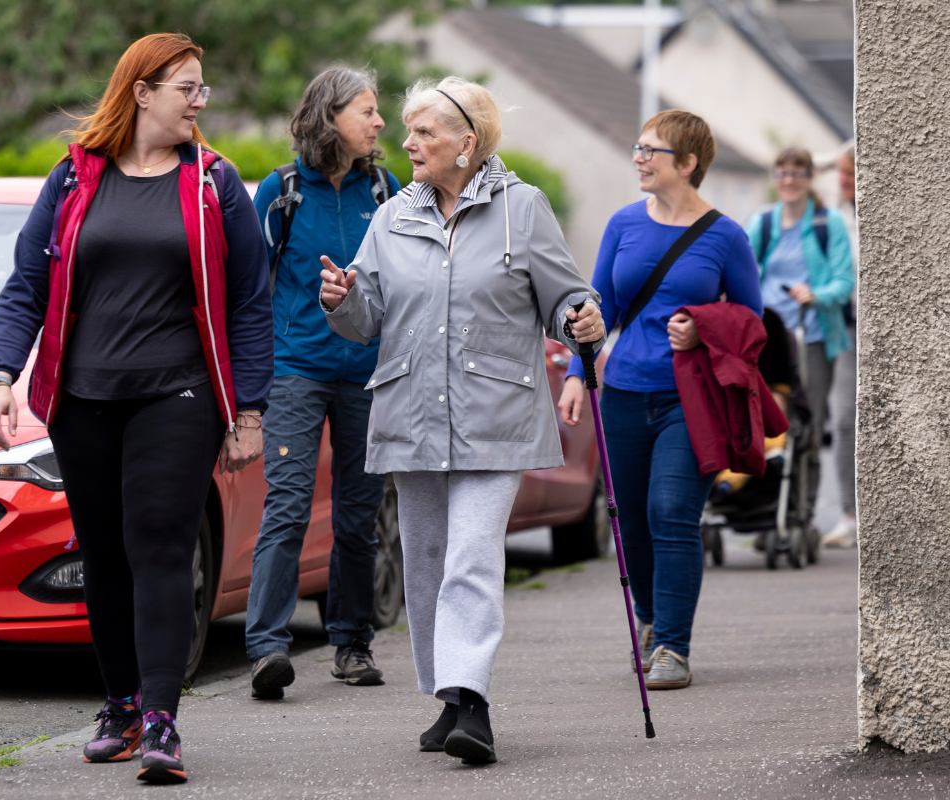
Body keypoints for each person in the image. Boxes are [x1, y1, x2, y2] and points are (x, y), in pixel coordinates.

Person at [0, 33, 273, 785]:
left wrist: (248, 411)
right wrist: (1, 374)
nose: (201, 101)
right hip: (81, 399)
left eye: (202, 88)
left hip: (178, 395)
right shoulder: (75, 178)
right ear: (142, 92)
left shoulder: (214, 182)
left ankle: (165, 723)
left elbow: (249, 302)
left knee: (162, 545)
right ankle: (121, 704)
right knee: (103, 555)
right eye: (188, 88)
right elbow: (26, 285)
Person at [320, 76, 603, 765]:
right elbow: (366, 321)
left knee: (473, 557)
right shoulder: (392, 217)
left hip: (496, 412)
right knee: (425, 562)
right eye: (408, 130)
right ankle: (446, 694)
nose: (407, 142)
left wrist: (581, 319)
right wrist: (339, 299)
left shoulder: (522, 208)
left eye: (424, 132)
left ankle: (471, 699)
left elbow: (566, 296)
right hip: (411, 410)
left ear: (466, 144)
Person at [558, 109, 763, 690]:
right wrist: (578, 373)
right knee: (632, 523)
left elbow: (752, 319)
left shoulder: (725, 236)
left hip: (691, 400)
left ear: (689, 164)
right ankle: (648, 620)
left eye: (652, 151)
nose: (639, 159)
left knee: (670, 513)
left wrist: (704, 327)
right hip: (623, 392)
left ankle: (673, 646)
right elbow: (600, 312)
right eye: (638, 147)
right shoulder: (624, 224)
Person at [245, 68, 402, 699]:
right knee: (287, 505)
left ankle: (351, 643)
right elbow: (249, 293)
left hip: (366, 374)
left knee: (358, 515)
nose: (379, 122)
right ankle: (265, 649)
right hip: (296, 371)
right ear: (330, 114)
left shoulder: (385, 188)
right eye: (366, 109)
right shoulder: (281, 191)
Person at [745, 147, 855, 541]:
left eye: (796, 173)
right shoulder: (763, 222)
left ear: (809, 178)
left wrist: (817, 294)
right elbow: (741, 270)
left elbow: (844, 283)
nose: (788, 181)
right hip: (768, 338)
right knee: (763, 425)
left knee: (806, 426)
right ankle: (765, 510)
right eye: (782, 173)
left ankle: (802, 514)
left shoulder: (828, 224)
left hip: (812, 336)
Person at [822, 147, 859, 547]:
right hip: (847, 331)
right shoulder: (833, 219)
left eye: (851, 174)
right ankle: (849, 515)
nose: (844, 181)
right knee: (844, 418)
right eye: (842, 174)